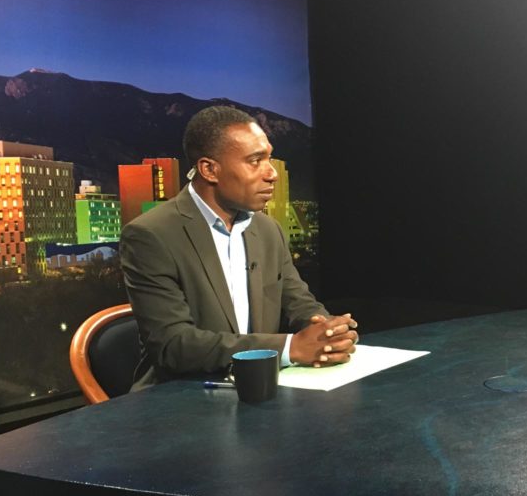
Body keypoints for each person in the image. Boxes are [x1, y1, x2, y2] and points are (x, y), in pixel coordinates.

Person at [121, 106, 357, 389]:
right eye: (255, 161)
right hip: (181, 399)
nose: (272, 174)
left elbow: (298, 303)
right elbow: (174, 345)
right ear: (210, 169)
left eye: (269, 158)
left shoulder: (268, 230)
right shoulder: (151, 235)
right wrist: (290, 347)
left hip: (260, 389)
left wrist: (327, 332)